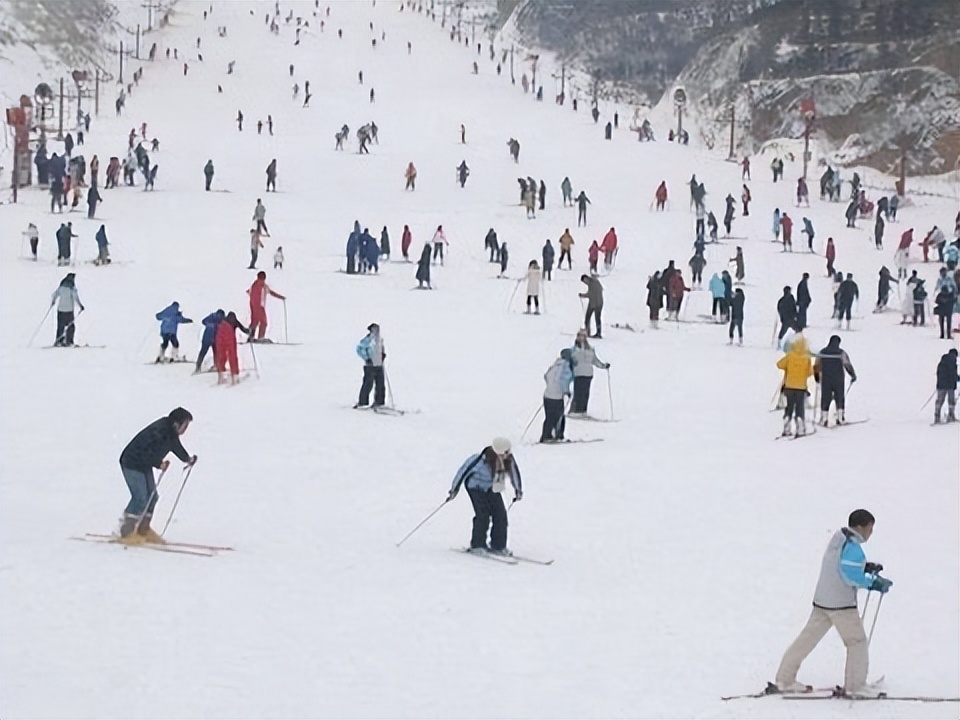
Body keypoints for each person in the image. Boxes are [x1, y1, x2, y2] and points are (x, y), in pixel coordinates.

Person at [774, 509, 891, 698]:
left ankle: (784, 679)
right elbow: (849, 575)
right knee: (857, 641)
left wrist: (865, 567)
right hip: (841, 604)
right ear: (860, 527)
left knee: (807, 639)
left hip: (823, 601)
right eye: (870, 528)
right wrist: (873, 583)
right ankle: (856, 686)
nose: (871, 532)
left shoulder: (839, 538)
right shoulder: (853, 547)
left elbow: (841, 564)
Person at [117, 408, 198, 542]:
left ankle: (143, 530)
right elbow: (145, 451)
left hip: (144, 464)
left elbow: (175, 446)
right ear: (177, 423)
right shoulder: (159, 430)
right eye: (185, 425)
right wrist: (158, 463)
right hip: (131, 463)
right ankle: (126, 532)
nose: (185, 429)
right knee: (140, 498)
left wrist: (187, 459)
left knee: (153, 498)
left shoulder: (170, 432)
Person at [446, 438, 522, 555]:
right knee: (483, 515)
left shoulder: (508, 460)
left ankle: (498, 546)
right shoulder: (479, 460)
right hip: (475, 488)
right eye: (504, 453)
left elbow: (514, 473)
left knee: (501, 515)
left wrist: (518, 490)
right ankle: (477, 545)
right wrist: (454, 490)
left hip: (492, 488)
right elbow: (462, 472)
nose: (507, 455)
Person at [814, 335, 857, 426]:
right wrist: (852, 375)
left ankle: (824, 418)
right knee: (839, 397)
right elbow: (847, 364)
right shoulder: (841, 353)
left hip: (826, 379)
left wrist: (817, 377)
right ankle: (840, 418)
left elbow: (816, 365)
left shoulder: (822, 352)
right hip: (838, 379)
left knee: (825, 397)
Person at [776, 335, 812, 436]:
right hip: (801, 387)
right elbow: (810, 372)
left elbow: (779, 364)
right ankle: (800, 426)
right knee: (799, 406)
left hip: (789, 386)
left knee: (789, 406)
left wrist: (788, 368)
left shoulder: (790, 355)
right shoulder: (806, 357)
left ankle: (787, 424)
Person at [569, 330, 609, 414]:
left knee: (585, 393)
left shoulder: (590, 349)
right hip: (578, 373)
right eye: (580, 335)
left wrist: (603, 366)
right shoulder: (573, 349)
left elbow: (595, 360)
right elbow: (569, 360)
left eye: (583, 336)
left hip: (588, 374)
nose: (582, 337)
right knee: (578, 392)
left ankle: (583, 410)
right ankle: (575, 410)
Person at [541, 350, 574, 442]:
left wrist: (550, 387)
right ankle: (558, 435)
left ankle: (546, 435)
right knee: (559, 416)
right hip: (557, 396)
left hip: (547, 395)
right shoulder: (565, 366)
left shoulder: (555, 364)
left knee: (549, 417)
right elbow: (562, 380)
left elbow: (546, 376)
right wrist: (566, 391)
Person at [247, 271, 285, 341]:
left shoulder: (256, 285)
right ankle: (260, 337)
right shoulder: (261, 286)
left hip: (254, 306)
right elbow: (269, 292)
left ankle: (251, 337)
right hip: (259, 306)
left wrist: (280, 297)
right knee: (263, 322)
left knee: (255, 321)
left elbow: (249, 292)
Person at [355, 323, 386, 408]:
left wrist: (383, 355)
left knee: (380, 385)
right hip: (370, 366)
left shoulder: (380, 340)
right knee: (368, 384)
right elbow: (359, 349)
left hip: (379, 365)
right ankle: (363, 402)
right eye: (375, 329)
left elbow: (381, 349)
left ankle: (379, 402)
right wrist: (366, 358)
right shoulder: (367, 340)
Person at [51, 273, 84, 346]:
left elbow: (55, 294)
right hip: (69, 310)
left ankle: (59, 341)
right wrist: (80, 306)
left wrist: (53, 301)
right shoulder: (72, 287)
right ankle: (69, 341)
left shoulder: (61, 286)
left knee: (60, 326)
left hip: (60, 310)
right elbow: (75, 297)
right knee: (70, 326)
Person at [215, 311, 248, 384]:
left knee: (221, 356)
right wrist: (250, 332)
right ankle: (235, 376)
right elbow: (243, 329)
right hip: (230, 337)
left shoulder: (222, 323)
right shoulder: (235, 322)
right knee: (232, 357)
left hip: (220, 337)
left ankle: (221, 376)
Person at [934, 349, 958, 423]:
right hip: (950, 385)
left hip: (941, 384)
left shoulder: (942, 362)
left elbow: (938, 373)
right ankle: (951, 416)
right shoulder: (953, 362)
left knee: (940, 401)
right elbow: (953, 374)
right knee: (951, 401)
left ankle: (937, 417)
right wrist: (957, 379)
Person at [580, 274, 603, 338]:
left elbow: (590, 294)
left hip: (595, 304)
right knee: (596, 318)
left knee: (590, 318)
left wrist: (583, 295)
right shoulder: (593, 282)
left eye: (584, 281)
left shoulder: (592, 283)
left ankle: (591, 332)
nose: (585, 283)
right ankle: (595, 332)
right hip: (597, 303)